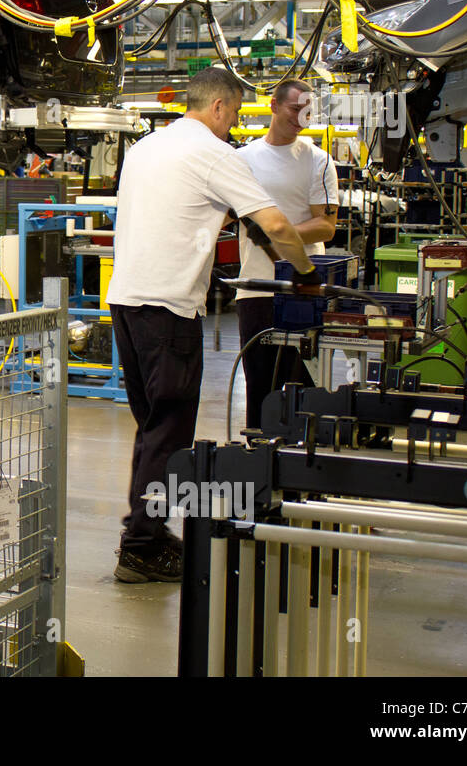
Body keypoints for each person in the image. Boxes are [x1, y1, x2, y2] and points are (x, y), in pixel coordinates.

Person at [106, 66, 318, 583]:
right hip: (169, 307)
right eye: (236, 114)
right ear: (220, 107)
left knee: (153, 427)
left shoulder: (147, 146)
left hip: (126, 303)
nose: (234, 126)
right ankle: (139, 548)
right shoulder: (212, 151)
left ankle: (147, 531)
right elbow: (274, 224)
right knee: (169, 432)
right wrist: (306, 274)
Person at [235, 79, 339, 430]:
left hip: (304, 287)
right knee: (259, 384)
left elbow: (325, 226)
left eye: (308, 111)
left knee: (302, 383)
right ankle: (258, 454)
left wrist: (276, 231)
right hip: (256, 289)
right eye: (296, 109)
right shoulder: (241, 160)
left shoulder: (318, 160)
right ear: (274, 106)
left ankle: (302, 456)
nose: (302, 117)